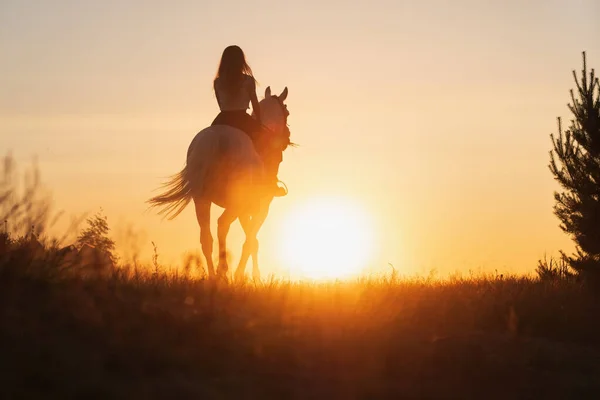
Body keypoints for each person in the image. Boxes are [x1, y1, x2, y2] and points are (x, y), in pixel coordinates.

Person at [211, 45, 286, 198]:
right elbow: (255, 105)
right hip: (242, 120)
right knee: (272, 146)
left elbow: (220, 104)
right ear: (241, 61)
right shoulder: (248, 80)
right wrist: (258, 120)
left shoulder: (217, 82)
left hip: (222, 119)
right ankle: (270, 183)